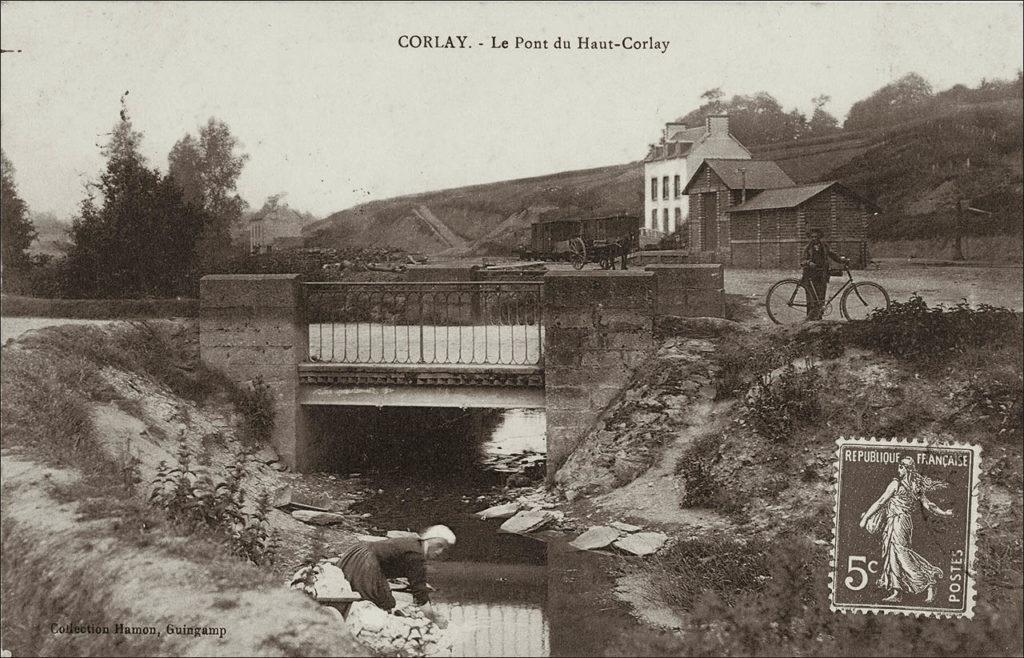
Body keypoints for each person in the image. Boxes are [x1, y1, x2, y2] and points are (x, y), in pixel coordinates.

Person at [859, 456, 953, 603]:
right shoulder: (914, 486)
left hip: (899, 522)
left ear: (906, 468)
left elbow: (881, 501)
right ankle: (897, 592)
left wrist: (865, 519)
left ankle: (928, 581)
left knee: (901, 554)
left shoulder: (897, 484)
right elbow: (929, 505)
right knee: (892, 554)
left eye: (900, 467)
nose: (898, 469)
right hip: (896, 522)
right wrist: (944, 513)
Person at [337, 525, 455, 618]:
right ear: (429, 540)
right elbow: (419, 590)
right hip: (365, 562)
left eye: (444, 549)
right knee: (382, 603)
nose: (439, 551)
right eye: (439, 545)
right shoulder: (416, 555)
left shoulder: (414, 543)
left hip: (359, 552)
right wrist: (432, 617)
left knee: (379, 599)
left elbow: (418, 583)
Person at [800, 228, 848, 320]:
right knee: (811, 297)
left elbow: (832, 255)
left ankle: (819, 317)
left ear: (819, 237)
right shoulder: (807, 248)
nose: (814, 238)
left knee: (821, 296)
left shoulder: (824, 246)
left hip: (822, 274)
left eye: (816, 237)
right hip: (810, 275)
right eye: (812, 237)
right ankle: (809, 318)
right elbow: (802, 261)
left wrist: (841, 260)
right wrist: (808, 263)